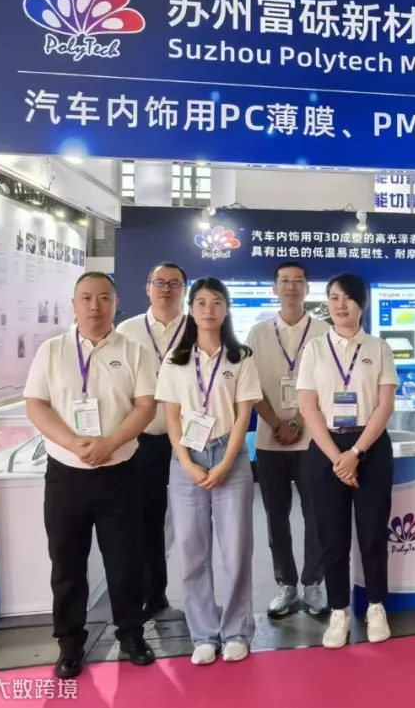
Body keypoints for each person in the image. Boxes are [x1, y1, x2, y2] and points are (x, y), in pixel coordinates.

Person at [23, 272, 157, 679]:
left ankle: (131, 634)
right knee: (66, 563)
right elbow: (36, 404)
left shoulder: (134, 351)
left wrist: (110, 442)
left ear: (117, 303)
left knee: (126, 561)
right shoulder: (52, 350)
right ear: (73, 304)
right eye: (86, 298)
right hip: (66, 474)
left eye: (103, 298)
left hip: (120, 474)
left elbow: (145, 406)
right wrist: (73, 442)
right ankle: (69, 644)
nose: (94, 306)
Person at [155, 278, 262, 665]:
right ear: (191, 309)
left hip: (229, 456)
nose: (208, 310)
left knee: (236, 551)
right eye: (200, 303)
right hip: (187, 457)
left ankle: (236, 631)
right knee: (193, 552)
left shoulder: (241, 356)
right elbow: (171, 417)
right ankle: (203, 634)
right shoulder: (175, 358)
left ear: (226, 309)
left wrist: (226, 462)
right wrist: (185, 462)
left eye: (217, 302)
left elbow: (244, 417)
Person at [296, 272, 398, 649]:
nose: (340, 305)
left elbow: (385, 406)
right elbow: (308, 407)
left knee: (372, 534)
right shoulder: (314, 349)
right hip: (326, 450)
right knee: (332, 537)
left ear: (362, 303)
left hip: (370, 447)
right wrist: (338, 458)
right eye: (334, 297)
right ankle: (338, 610)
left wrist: (356, 454)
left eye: (348, 298)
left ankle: (376, 606)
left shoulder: (379, 347)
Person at [246, 262, 330, 618]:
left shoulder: (324, 331)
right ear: (275, 288)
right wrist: (276, 423)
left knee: (317, 513)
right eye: (285, 281)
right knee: (275, 517)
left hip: (313, 440)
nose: (292, 287)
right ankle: (286, 583)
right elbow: (249, 386)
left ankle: (313, 583)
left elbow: (329, 385)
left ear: (307, 288)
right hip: (270, 441)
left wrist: (296, 422)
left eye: (298, 281)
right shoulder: (257, 333)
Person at [115, 261, 187, 619]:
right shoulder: (127, 331)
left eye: (174, 283)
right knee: (146, 518)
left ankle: (201, 597)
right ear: (147, 288)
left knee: (196, 518)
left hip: (189, 438)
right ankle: (152, 593)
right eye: (159, 282)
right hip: (144, 439)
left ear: (184, 290)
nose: (166, 289)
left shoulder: (197, 327)